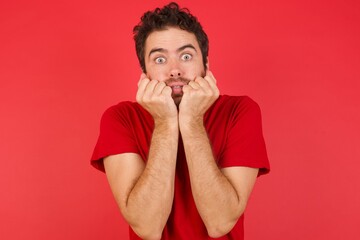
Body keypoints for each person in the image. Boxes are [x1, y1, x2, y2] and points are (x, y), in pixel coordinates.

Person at [91, 2, 270, 239]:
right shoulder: (120, 119)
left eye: (186, 56)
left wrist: (192, 120)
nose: (174, 70)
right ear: (145, 73)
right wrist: (166, 123)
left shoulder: (240, 111)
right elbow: (148, 228)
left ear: (206, 65)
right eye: (160, 60)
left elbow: (220, 222)